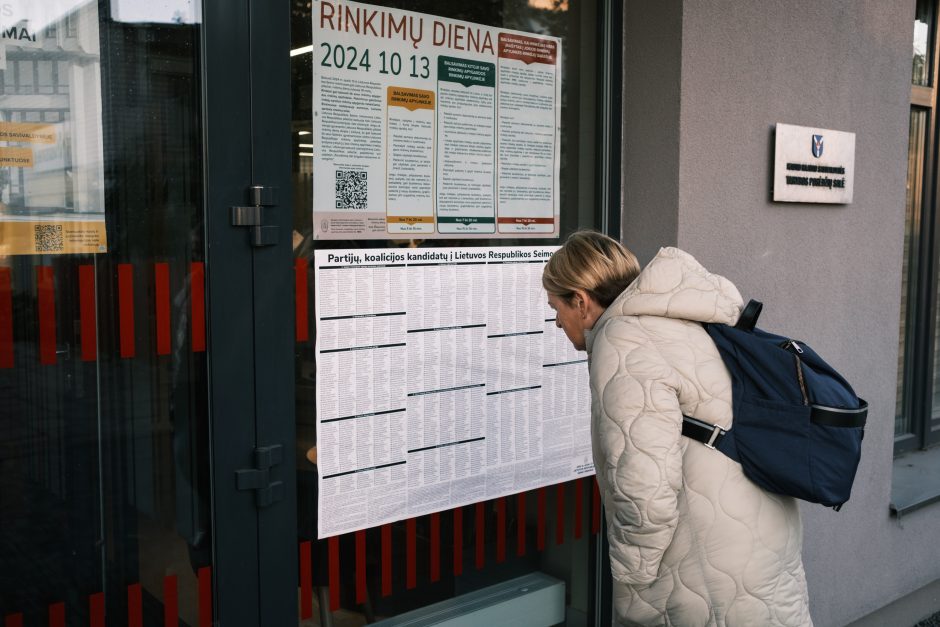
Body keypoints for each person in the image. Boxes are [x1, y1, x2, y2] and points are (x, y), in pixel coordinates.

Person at [543, 231, 813, 626]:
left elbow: (645, 491)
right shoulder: (681, 322)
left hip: (708, 569)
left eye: (556, 307)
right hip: (760, 535)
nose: (555, 321)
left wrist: (634, 587)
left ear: (580, 302)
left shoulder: (623, 343)